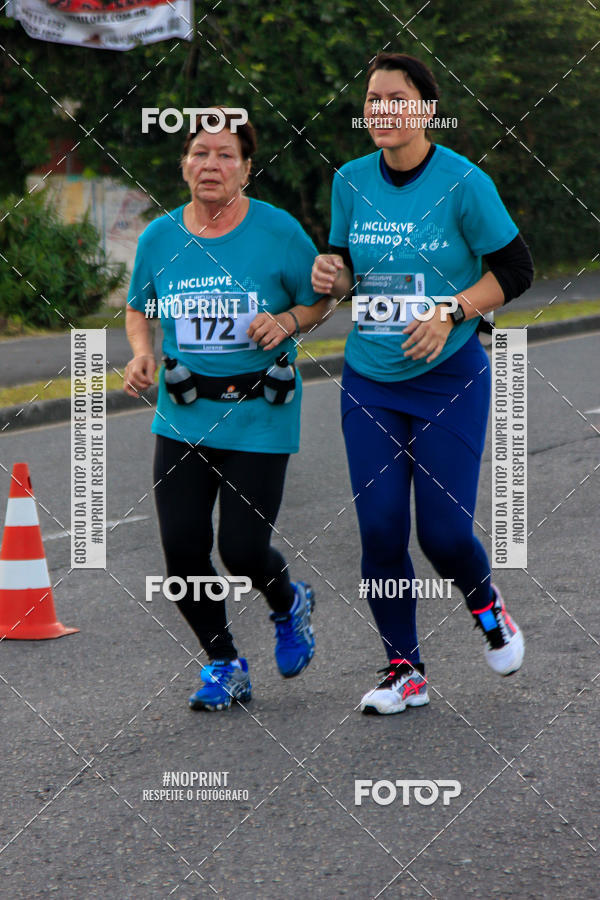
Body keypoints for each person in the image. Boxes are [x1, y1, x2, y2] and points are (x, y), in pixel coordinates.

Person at [312, 53, 534, 715]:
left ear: (427, 110)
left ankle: (487, 606)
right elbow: (346, 269)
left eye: (396, 98)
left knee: (442, 535)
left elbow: (515, 269)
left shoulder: (463, 182)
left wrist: (451, 311)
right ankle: (403, 670)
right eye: (372, 99)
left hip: (449, 381)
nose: (382, 109)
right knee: (381, 529)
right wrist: (331, 277)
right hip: (370, 379)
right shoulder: (350, 181)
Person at [124, 110, 333, 711]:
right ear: (184, 164)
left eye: (225, 155)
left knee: (241, 551)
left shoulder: (279, 231)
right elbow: (140, 306)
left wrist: (288, 320)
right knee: (183, 552)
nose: (210, 164)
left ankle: (288, 602)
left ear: (246, 169)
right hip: (184, 414)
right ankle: (224, 663)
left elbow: (322, 299)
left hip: (259, 415)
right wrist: (142, 353)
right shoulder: (159, 237)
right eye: (200, 153)